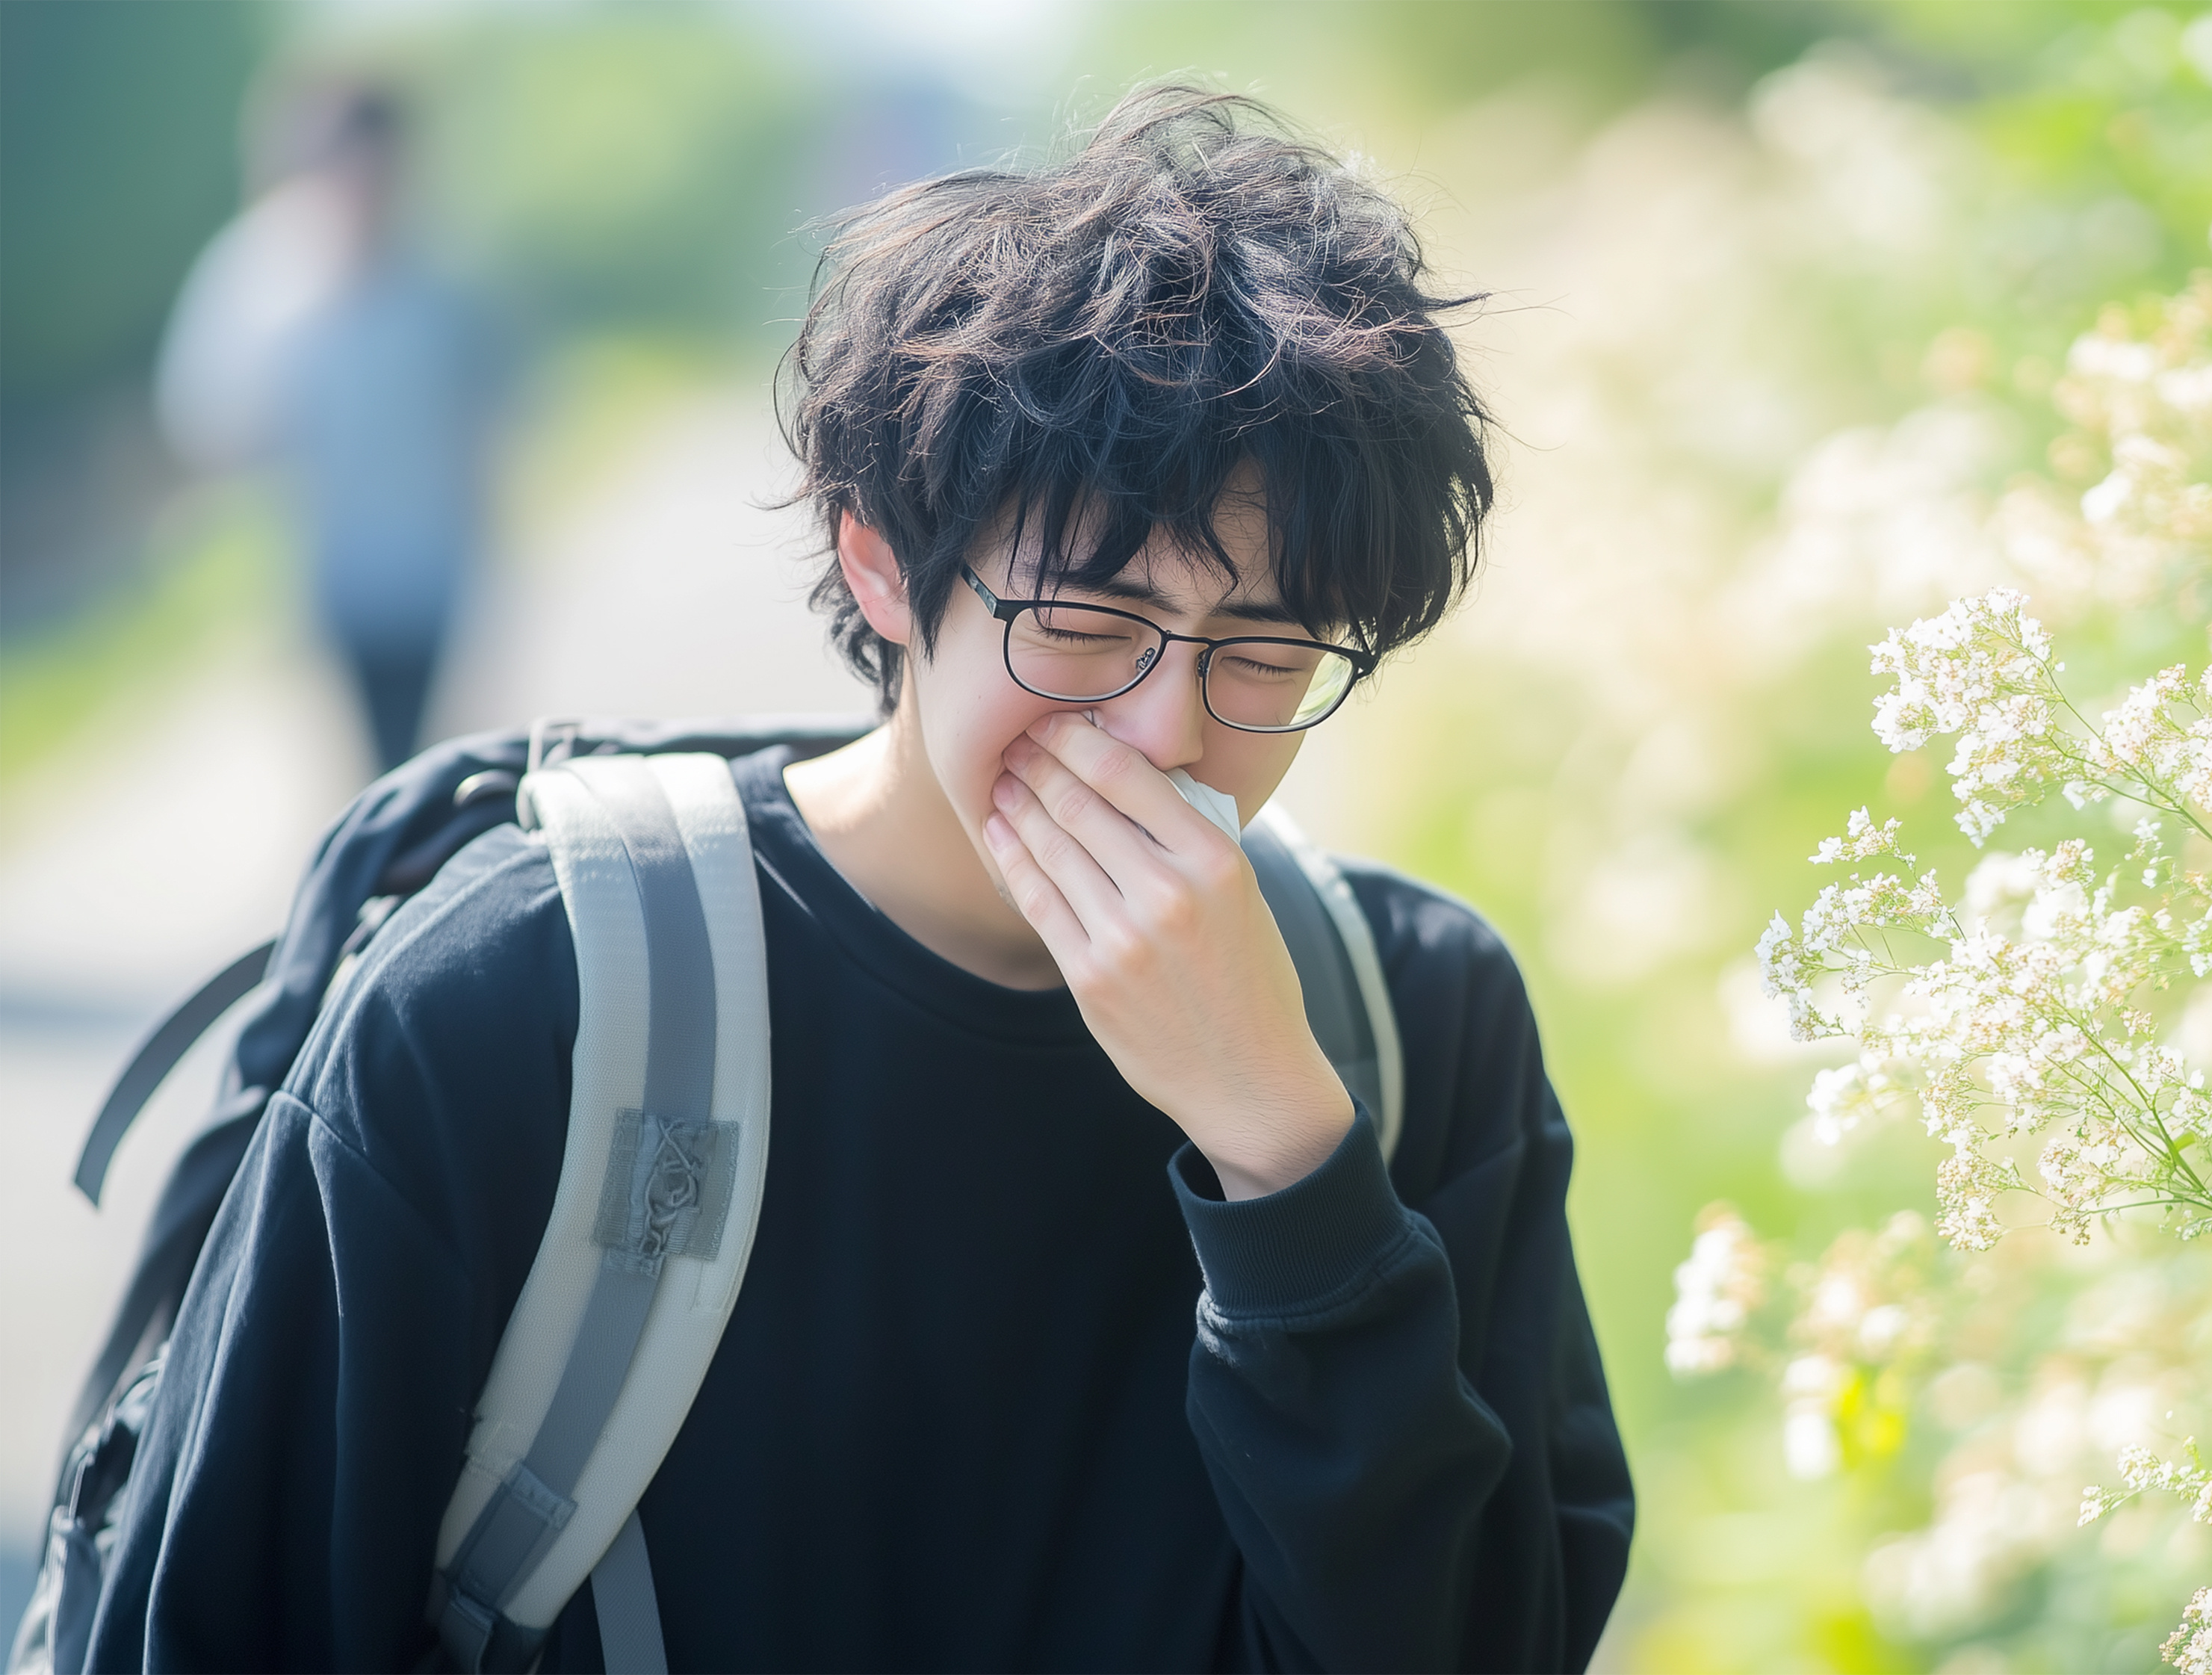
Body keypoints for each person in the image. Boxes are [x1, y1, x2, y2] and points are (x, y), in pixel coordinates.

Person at [81, 88, 1632, 1671]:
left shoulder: (1412, 1021)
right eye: (1088, 621)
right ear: (885, 560)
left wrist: (1291, 1167)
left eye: (1262, 648)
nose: (1164, 733)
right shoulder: (511, 1008)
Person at [155, 84, 498, 773]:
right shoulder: (266, 278)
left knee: (415, 764)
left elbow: (489, 409)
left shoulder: (442, 277)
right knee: (367, 776)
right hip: (321, 581)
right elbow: (206, 420)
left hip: (431, 572)